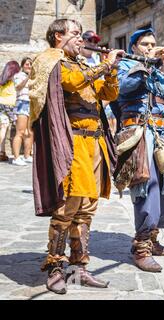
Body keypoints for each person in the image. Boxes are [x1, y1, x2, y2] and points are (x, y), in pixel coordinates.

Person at [29, 19, 123, 294]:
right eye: (75, 34)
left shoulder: (83, 64)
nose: (81, 39)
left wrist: (112, 70)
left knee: (87, 208)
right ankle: (55, 266)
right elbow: (72, 83)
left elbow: (109, 92)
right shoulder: (51, 60)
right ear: (58, 36)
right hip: (74, 143)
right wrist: (104, 65)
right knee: (67, 207)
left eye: (81, 35)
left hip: (96, 145)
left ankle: (79, 266)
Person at [116, 27, 164, 272]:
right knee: (148, 188)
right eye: (145, 44)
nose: (149, 47)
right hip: (139, 133)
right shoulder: (125, 64)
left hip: (162, 133)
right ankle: (141, 246)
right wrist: (145, 63)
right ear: (135, 46)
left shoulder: (159, 69)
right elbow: (124, 88)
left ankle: (154, 238)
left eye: (152, 43)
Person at [80, 30, 117, 136]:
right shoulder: (77, 59)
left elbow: (107, 85)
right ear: (82, 41)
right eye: (89, 40)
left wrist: (109, 61)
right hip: (84, 105)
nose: (92, 44)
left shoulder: (98, 59)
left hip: (102, 104)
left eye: (95, 41)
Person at [11, 57, 33, 166]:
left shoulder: (33, 77)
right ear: (22, 65)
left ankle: (27, 156)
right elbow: (18, 87)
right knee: (20, 132)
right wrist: (28, 78)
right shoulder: (18, 76)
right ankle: (16, 158)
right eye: (27, 64)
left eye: (30, 64)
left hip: (31, 104)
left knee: (29, 133)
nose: (29, 66)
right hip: (22, 103)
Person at [0, 60, 20, 162]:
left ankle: (2, 152)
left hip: (2, 106)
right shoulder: (11, 81)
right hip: (8, 106)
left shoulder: (2, 80)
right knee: (5, 128)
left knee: (4, 128)